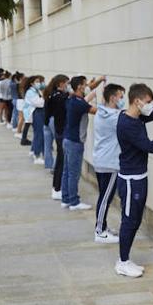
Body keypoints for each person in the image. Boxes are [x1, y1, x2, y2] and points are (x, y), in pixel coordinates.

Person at [114, 82, 153, 278]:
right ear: (137, 101)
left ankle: (125, 259)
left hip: (139, 177)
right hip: (130, 179)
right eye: (148, 102)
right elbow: (150, 147)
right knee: (129, 221)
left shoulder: (136, 116)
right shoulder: (127, 124)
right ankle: (122, 262)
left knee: (135, 220)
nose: (150, 105)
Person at [61, 74, 105, 210]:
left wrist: (99, 81)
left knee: (67, 171)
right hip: (75, 142)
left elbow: (86, 95)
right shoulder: (79, 103)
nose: (87, 87)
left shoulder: (72, 98)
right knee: (73, 173)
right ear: (80, 86)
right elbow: (97, 111)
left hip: (67, 139)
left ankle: (66, 198)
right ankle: (74, 202)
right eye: (85, 84)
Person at [90, 83, 126, 244]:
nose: (123, 100)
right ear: (113, 98)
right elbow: (128, 117)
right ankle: (100, 231)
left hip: (101, 160)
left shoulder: (101, 112)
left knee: (104, 196)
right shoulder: (114, 117)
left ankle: (103, 227)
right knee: (105, 198)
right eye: (121, 96)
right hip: (110, 163)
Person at [41, 74, 71, 196]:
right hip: (58, 127)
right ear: (60, 84)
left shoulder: (52, 94)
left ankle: (57, 187)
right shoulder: (58, 96)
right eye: (67, 83)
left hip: (51, 124)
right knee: (61, 157)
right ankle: (57, 188)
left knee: (59, 156)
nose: (68, 86)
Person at [22, 75, 45, 162]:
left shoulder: (36, 91)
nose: (39, 83)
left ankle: (33, 150)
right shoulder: (30, 92)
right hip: (36, 113)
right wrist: (44, 97)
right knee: (39, 134)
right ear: (32, 83)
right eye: (37, 82)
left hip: (38, 113)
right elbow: (39, 103)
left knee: (37, 134)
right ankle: (37, 155)